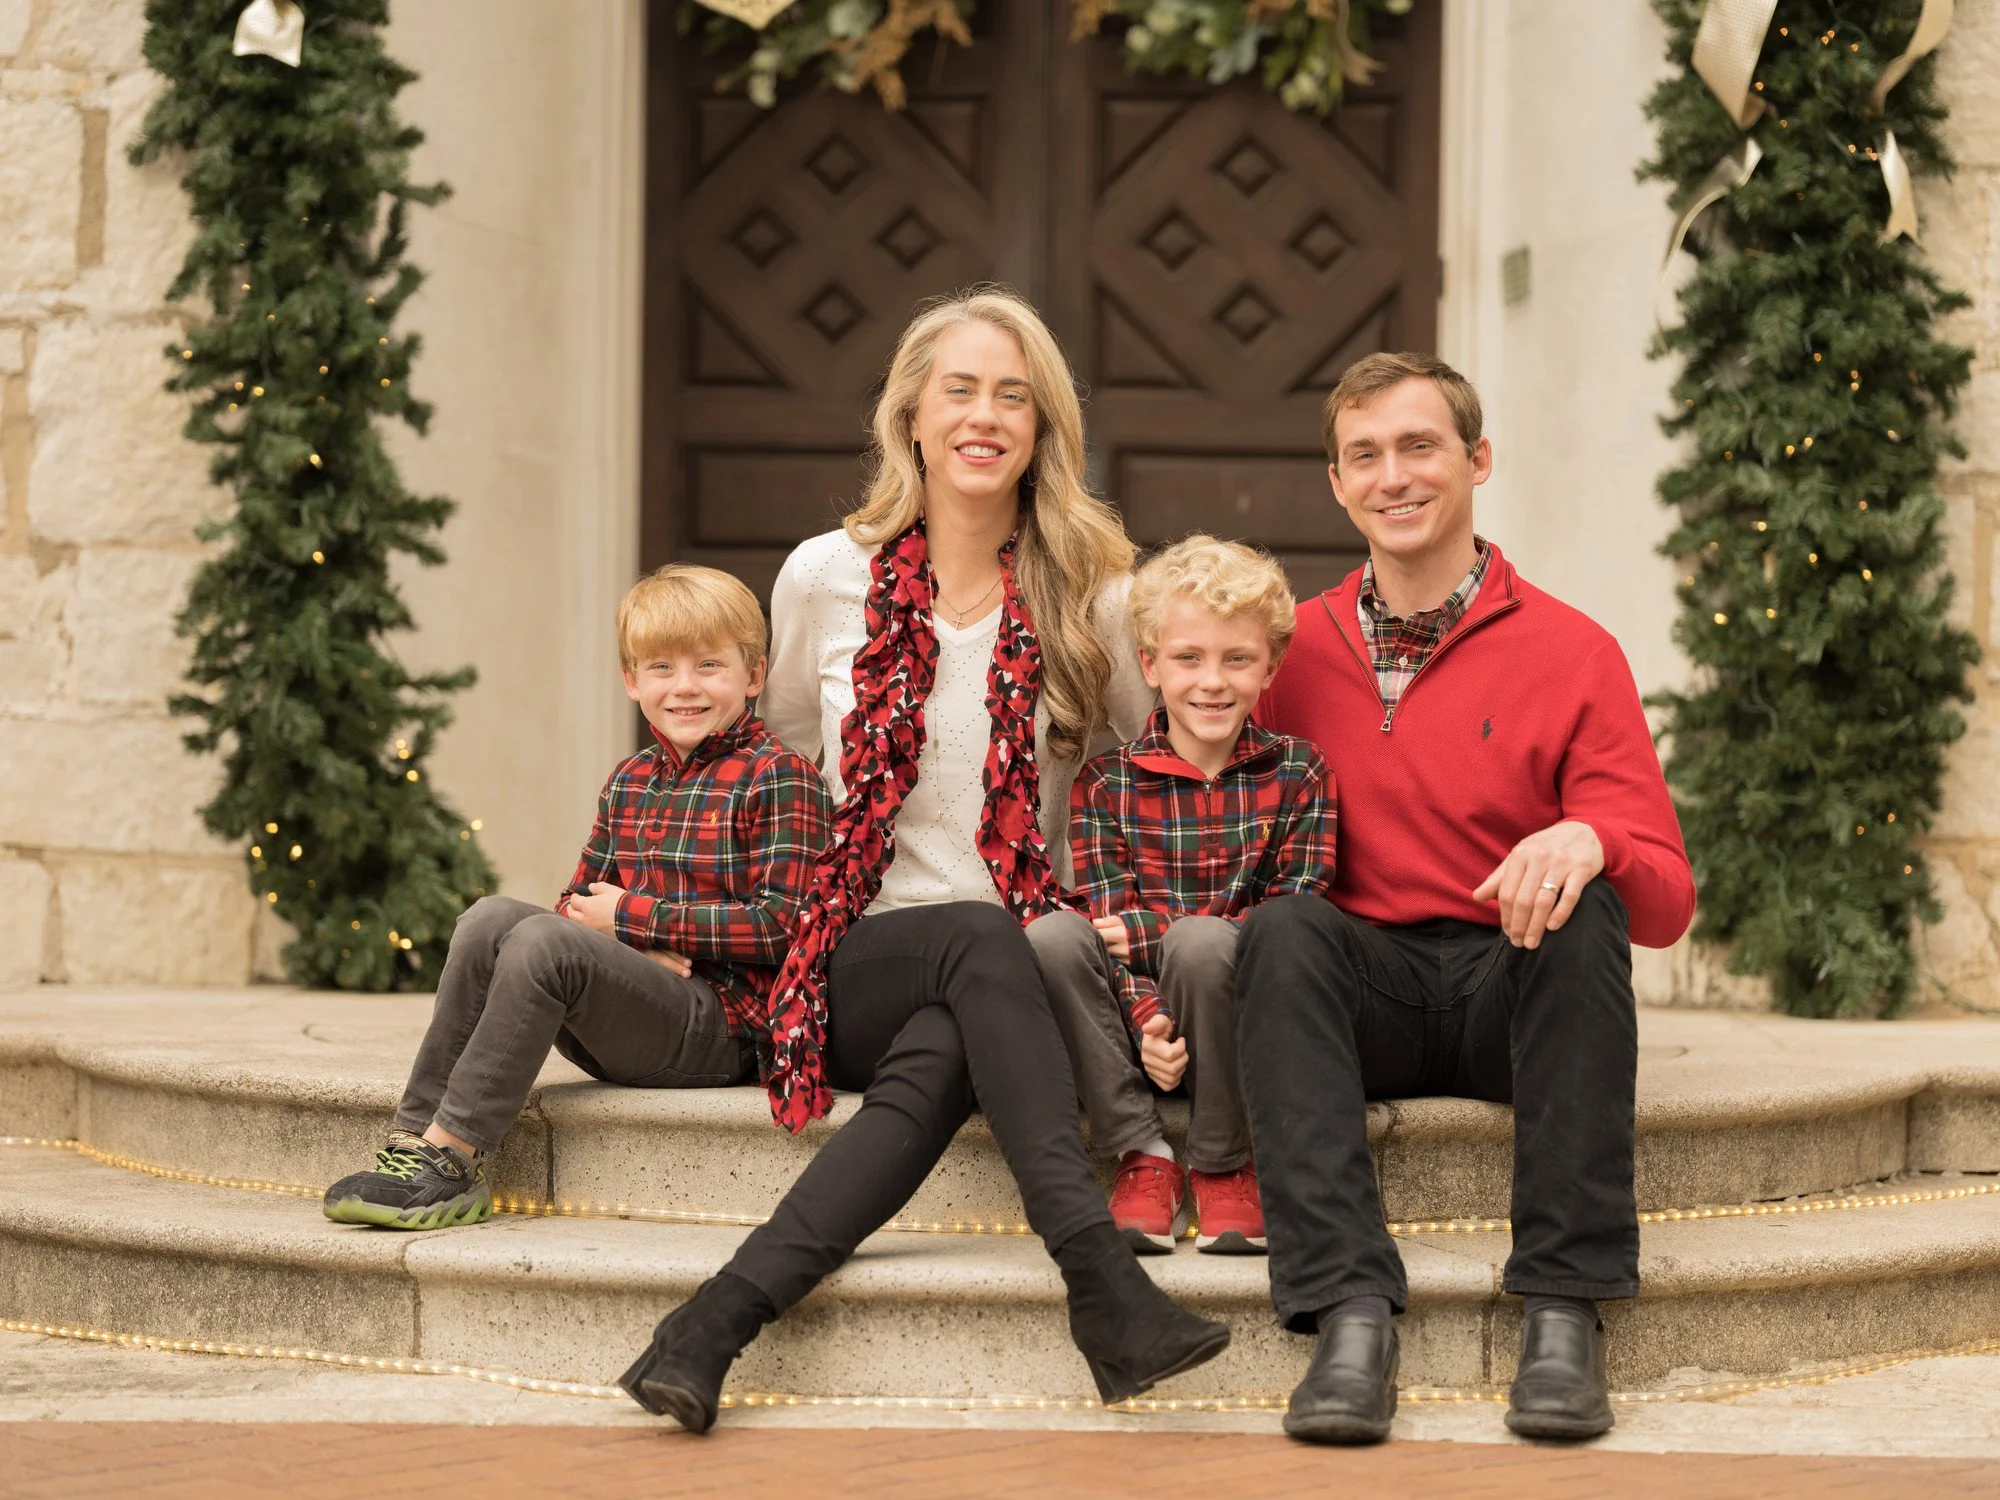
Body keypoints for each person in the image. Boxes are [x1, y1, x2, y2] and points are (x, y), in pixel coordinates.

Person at [616, 288, 1230, 1433]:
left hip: (1024, 973)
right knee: (968, 941)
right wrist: (684, 918)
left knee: (951, 1033)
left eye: (1012, 396)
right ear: (910, 413)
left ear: (1042, 428)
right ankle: (1100, 1282)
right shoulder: (823, 577)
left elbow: (1159, 773)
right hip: (857, 957)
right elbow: (770, 761)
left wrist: (1147, 946)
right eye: (959, 390)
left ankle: (707, 1326)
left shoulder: (1096, 596)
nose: (982, 415)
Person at [1240, 352, 1696, 1446]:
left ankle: (1563, 1311)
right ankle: (1347, 1314)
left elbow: (1667, 902)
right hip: (1365, 997)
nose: (1392, 476)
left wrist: (1593, 835)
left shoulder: (1573, 650)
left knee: (1588, 901)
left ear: (1477, 460)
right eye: (1364, 456)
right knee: (1282, 927)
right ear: (1337, 485)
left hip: (1512, 988)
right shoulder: (1286, 655)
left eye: (1419, 446)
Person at [323, 566, 832, 1230]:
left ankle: (451, 1162)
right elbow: (575, 902)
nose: (684, 686)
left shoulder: (780, 776)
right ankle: (414, 1140)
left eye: (709, 665)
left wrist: (632, 918)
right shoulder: (630, 780)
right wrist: (630, 940)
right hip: (637, 1010)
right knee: (490, 918)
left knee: (543, 943)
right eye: (661, 667)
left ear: (754, 675)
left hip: (726, 1030)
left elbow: (784, 927)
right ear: (632, 681)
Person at [1028, 535, 1335, 1257]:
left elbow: (1290, 920)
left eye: (1237, 659)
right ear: (1150, 665)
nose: (1212, 682)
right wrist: (1149, 1021)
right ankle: (1144, 1154)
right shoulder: (1105, 782)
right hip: (1134, 1032)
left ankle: (1223, 1160)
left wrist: (1158, 939)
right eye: (1189, 658)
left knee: (1204, 942)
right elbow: (1106, 922)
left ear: (1271, 666)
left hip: (1238, 1023)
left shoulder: (1299, 772)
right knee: (1052, 936)